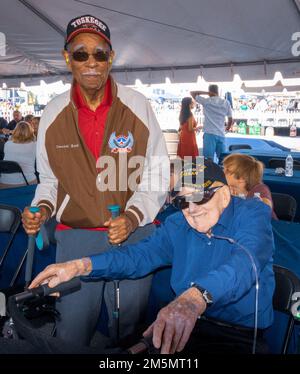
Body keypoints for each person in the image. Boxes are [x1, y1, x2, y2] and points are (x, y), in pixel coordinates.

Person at [22, 14, 169, 347]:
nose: (91, 62)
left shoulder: (137, 105)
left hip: (136, 237)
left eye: (99, 54)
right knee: (72, 330)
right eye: (80, 54)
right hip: (76, 237)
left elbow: (158, 172)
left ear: (111, 58)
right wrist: (41, 210)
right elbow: (48, 179)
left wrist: (132, 217)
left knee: (128, 330)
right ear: (66, 57)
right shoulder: (53, 112)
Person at [30, 158, 275, 354]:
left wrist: (193, 299)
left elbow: (244, 265)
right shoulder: (178, 224)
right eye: (182, 201)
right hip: (179, 326)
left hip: (235, 335)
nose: (192, 209)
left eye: (200, 196)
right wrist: (79, 266)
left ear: (224, 195)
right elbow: (138, 256)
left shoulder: (252, 214)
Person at [223, 153, 277, 220]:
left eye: (227, 171)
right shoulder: (225, 188)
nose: (222, 172)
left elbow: (266, 208)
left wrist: (238, 201)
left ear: (241, 178)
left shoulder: (260, 189)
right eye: (223, 168)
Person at [191, 85, 233, 162]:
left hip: (209, 133)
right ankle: (222, 173)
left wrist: (207, 93)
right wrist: (226, 129)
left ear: (210, 92)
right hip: (221, 134)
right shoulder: (226, 102)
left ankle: (210, 174)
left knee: (208, 160)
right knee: (223, 159)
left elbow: (192, 93)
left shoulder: (206, 101)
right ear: (218, 91)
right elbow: (230, 119)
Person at [0, 121, 37, 187]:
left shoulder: (7, 144)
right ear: (31, 131)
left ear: (15, 131)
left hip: (4, 182)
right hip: (28, 181)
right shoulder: (35, 145)